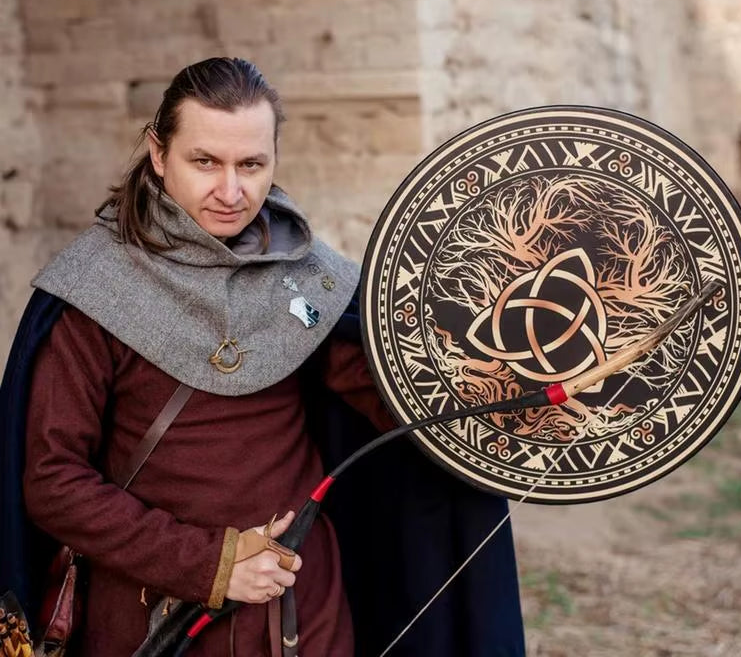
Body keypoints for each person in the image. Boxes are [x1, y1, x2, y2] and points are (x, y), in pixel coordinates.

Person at [0, 58, 525, 657]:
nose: (231, 191)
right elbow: (52, 481)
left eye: (251, 164)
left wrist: (501, 385)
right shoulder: (92, 290)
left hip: (303, 613)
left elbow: (393, 395)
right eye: (206, 162)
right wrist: (211, 563)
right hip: (153, 620)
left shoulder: (306, 275)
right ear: (158, 152)